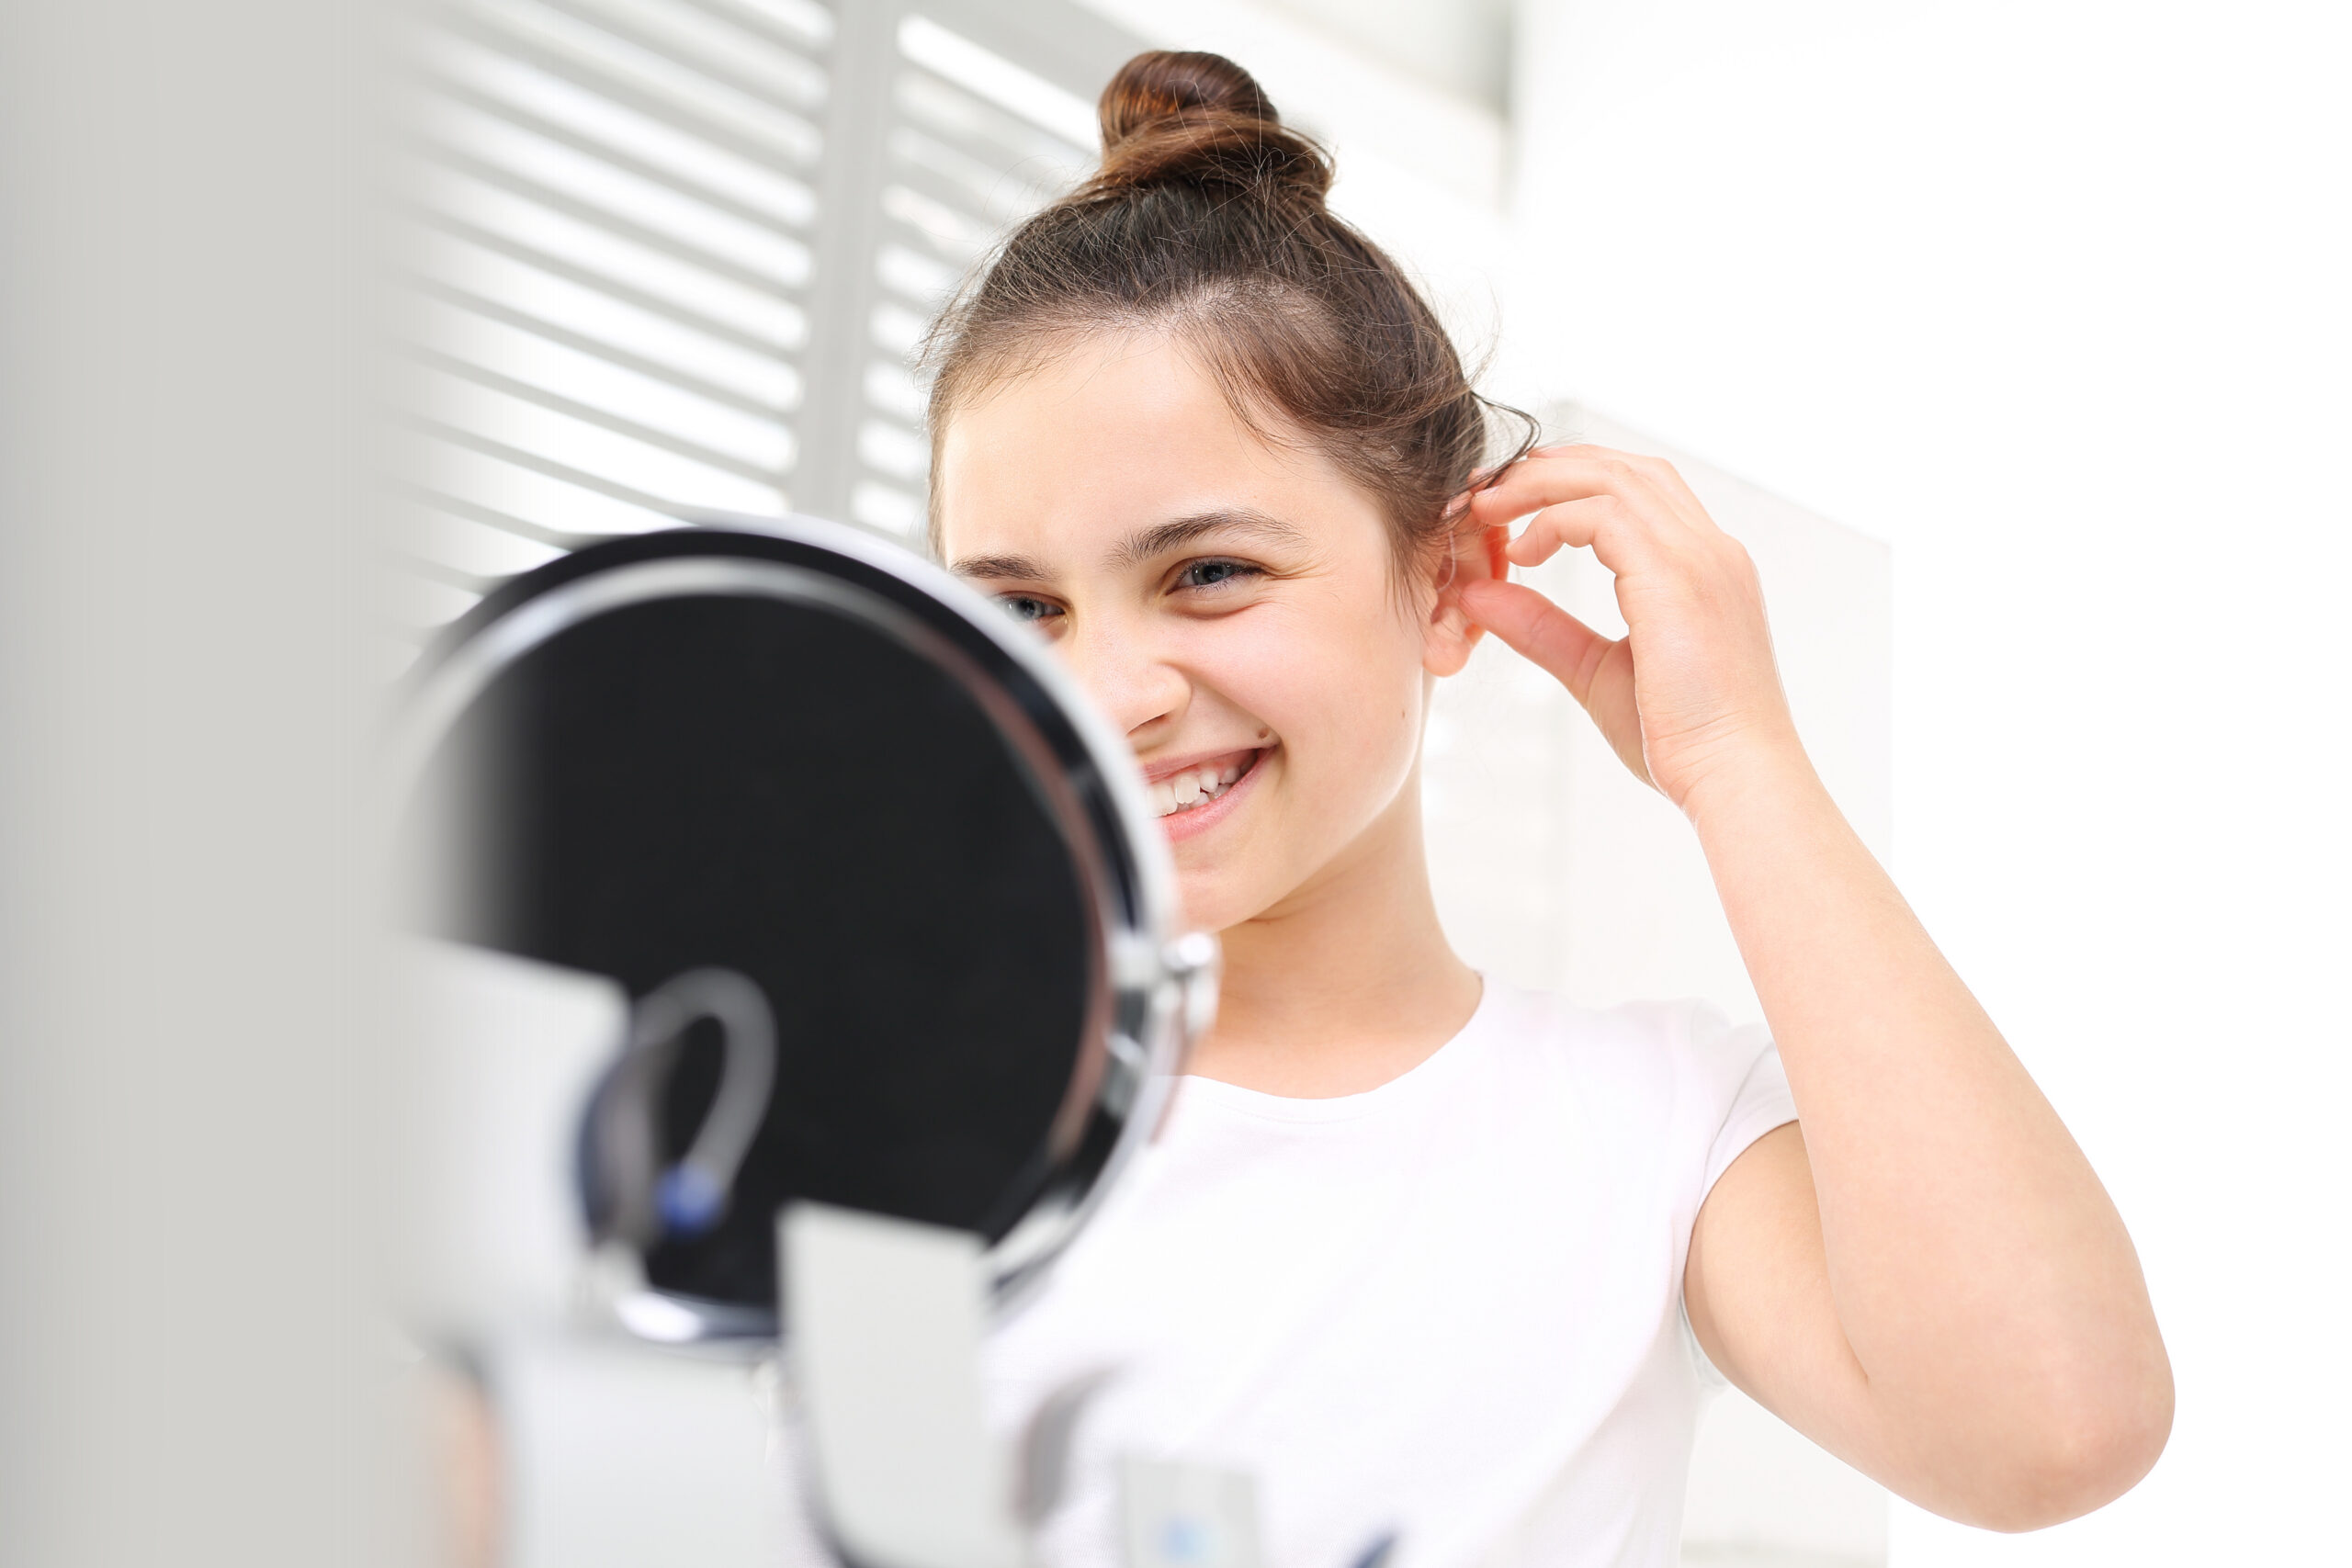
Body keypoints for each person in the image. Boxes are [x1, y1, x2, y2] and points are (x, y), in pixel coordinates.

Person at [924, 49, 2171, 1568]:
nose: (1110, 695)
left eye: (1209, 573)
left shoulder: (1642, 1134)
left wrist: (1739, 763)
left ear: (1447, 585)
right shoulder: (871, 1091)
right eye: (1023, 608)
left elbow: (2054, 1424)